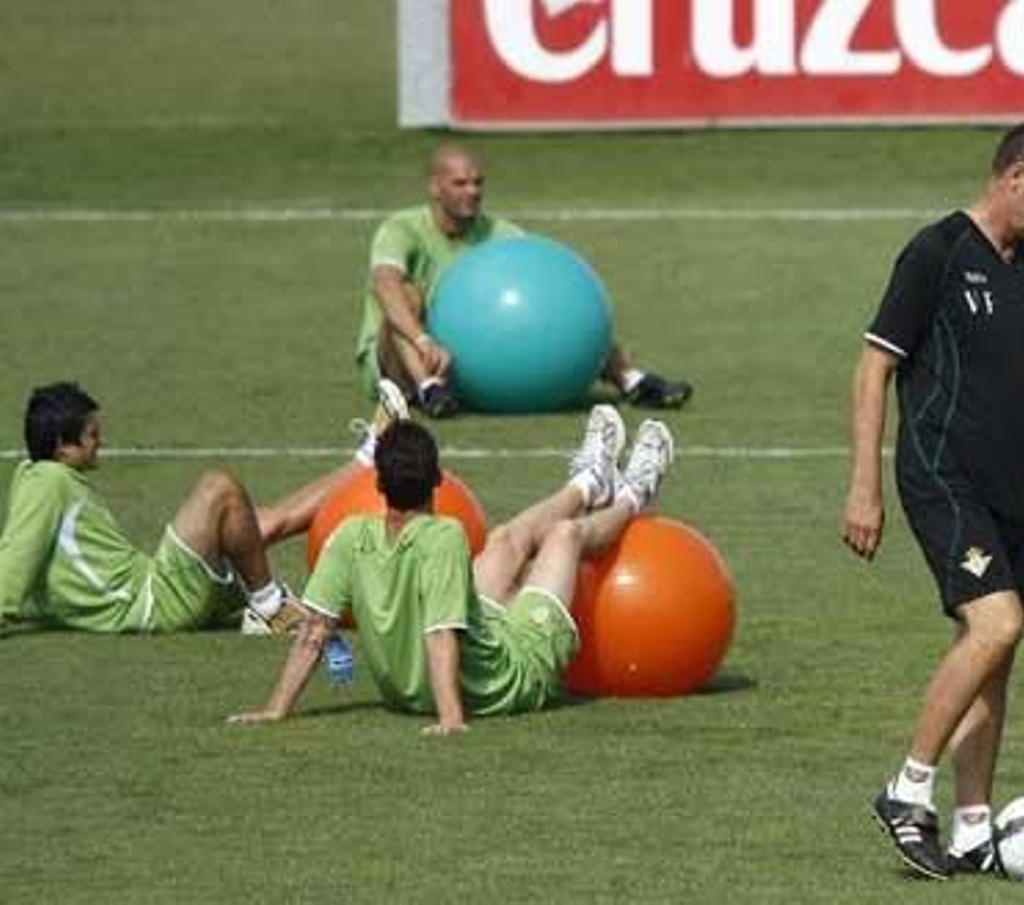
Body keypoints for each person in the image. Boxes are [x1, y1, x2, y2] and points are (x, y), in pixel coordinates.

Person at [843, 121, 1024, 880]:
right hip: (941, 477)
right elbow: (874, 367)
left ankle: (973, 827)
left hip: (1014, 491)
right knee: (997, 622)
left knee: (997, 654)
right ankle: (906, 789)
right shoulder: (937, 253)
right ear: (1016, 177)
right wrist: (864, 485)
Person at [229, 405, 674, 733]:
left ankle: (590, 481)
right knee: (564, 536)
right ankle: (635, 493)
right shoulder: (444, 536)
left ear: (378, 482)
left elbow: (314, 629)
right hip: (510, 677)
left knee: (503, 539)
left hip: (430, 679)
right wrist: (451, 718)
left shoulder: (349, 534)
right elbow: (441, 633)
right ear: (438, 480)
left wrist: (276, 708)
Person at [0, 380, 410, 637]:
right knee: (219, 489)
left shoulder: (42, 478)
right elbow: (17, 559)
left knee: (257, 522)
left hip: (158, 589)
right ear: (62, 446)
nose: (100, 442)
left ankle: (369, 456)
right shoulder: (47, 482)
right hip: (155, 600)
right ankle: (269, 607)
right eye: (92, 435)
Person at [355, 143, 693, 418]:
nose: (472, 191)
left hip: (466, 357)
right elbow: (384, 284)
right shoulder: (401, 228)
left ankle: (631, 380)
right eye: (460, 183)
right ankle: (428, 389)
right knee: (407, 295)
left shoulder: (502, 233)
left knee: (565, 300)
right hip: (400, 362)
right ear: (434, 187)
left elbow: (544, 290)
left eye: (478, 183)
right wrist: (423, 339)